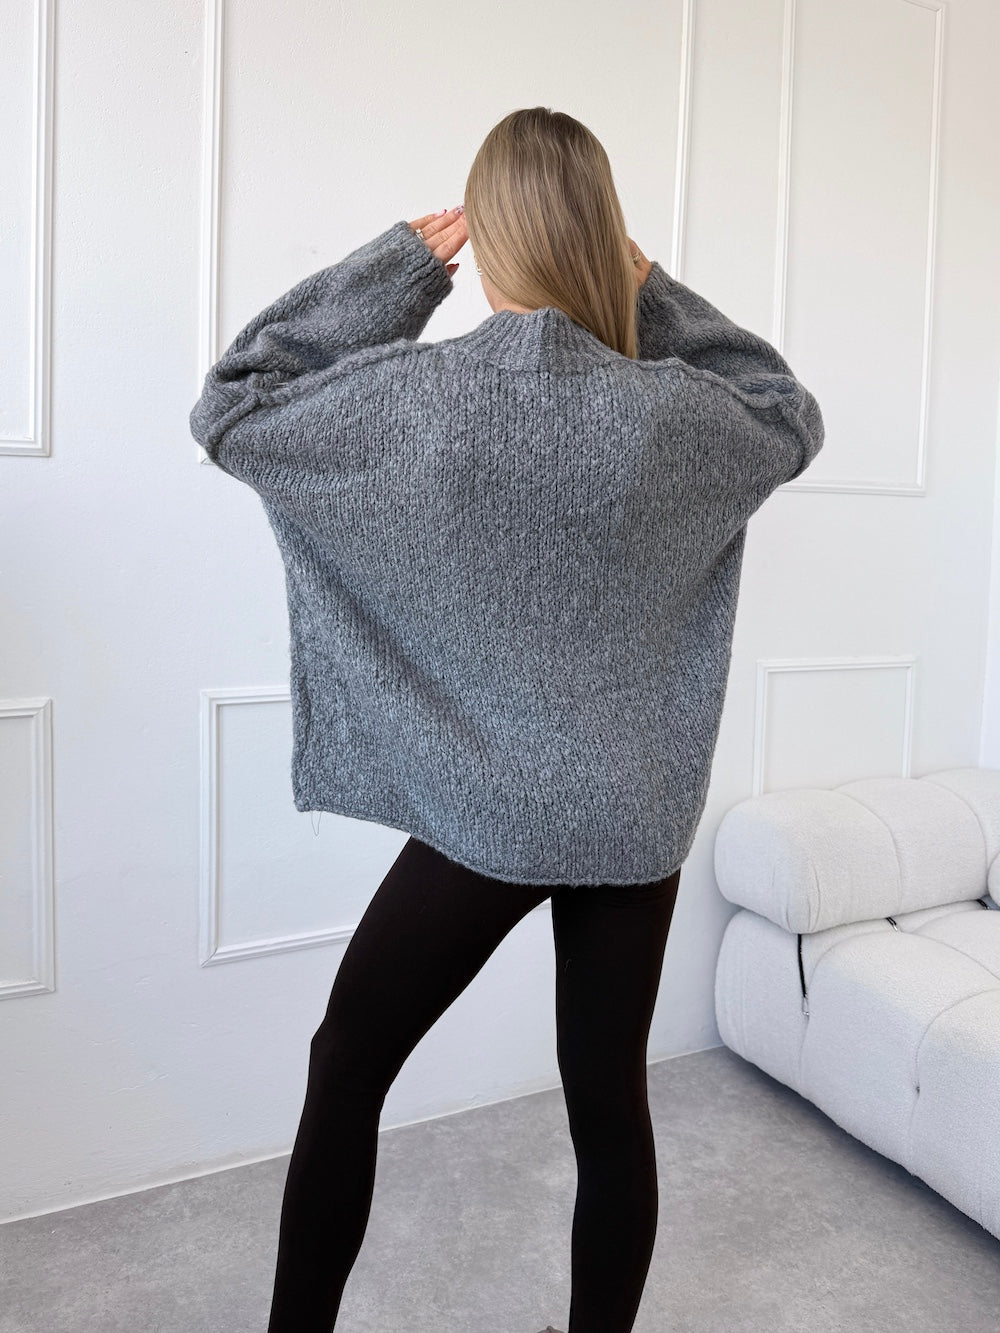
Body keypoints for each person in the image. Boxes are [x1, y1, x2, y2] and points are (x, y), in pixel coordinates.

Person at [189, 107, 824, 1333]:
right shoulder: (676, 415)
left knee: (346, 1064)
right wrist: (654, 292)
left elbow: (233, 404)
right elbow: (785, 410)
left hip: (493, 808)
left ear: (488, 241)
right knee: (608, 1099)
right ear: (602, 237)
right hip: (635, 811)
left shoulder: (415, 402)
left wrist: (392, 273)